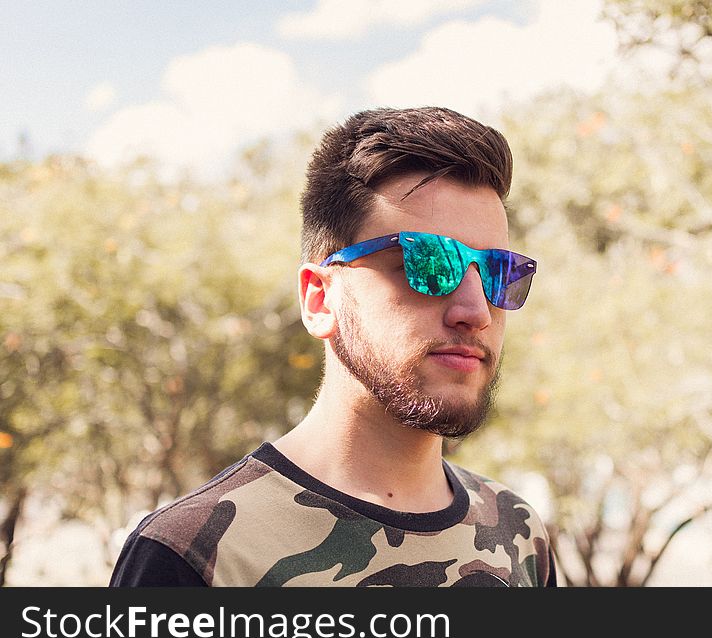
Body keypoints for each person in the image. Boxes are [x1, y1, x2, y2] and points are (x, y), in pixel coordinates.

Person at [110, 106, 556, 587]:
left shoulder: (520, 534)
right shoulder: (194, 556)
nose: (477, 311)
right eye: (427, 263)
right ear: (320, 299)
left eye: (499, 273)